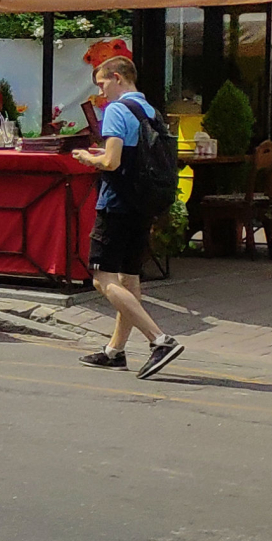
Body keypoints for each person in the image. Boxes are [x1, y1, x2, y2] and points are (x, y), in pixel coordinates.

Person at [71, 56, 184, 377]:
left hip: (116, 204)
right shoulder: (151, 111)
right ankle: (115, 351)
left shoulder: (117, 110)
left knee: (101, 278)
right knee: (128, 279)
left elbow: (112, 161)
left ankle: (159, 339)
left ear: (117, 77)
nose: (101, 92)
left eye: (103, 83)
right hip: (143, 204)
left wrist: (87, 158)